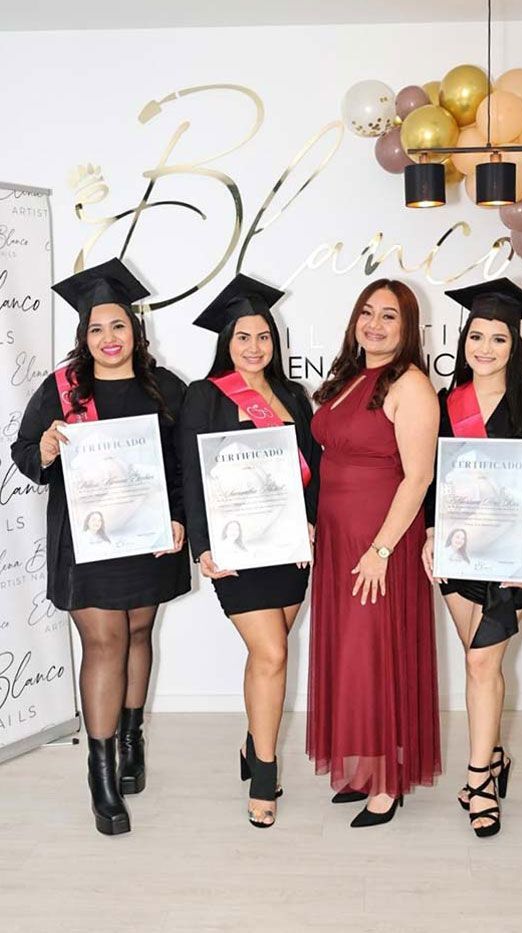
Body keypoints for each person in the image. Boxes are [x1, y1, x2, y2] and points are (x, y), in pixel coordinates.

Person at [11, 258, 190, 836]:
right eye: (96, 329)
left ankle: (133, 738)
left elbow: (185, 466)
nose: (109, 339)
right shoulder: (62, 390)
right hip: (87, 542)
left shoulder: (166, 388)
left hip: (148, 538)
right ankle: (102, 771)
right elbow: (23, 453)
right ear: (83, 337)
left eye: (118, 327)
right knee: (106, 640)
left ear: (136, 331)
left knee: (140, 631)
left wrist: (181, 518)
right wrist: (45, 448)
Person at [179, 274, 319, 829]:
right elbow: (192, 474)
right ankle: (264, 773)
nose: (254, 347)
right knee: (273, 656)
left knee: (270, 654)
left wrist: (309, 522)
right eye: (243, 337)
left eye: (263, 336)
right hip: (237, 551)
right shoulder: (204, 395)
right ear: (226, 342)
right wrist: (203, 546)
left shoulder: (292, 397)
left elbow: (314, 470)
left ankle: (251, 741)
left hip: (287, 548)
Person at [422, 279, 522, 838]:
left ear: (514, 347)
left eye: (497, 339)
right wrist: (432, 532)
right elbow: (433, 481)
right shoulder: (442, 404)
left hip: (510, 560)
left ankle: (479, 779)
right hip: (459, 556)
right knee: (481, 664)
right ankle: (495, 757)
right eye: (475, 337)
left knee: (482, 664)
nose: (484, 348)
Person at [307, 278, 441, 828]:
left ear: (407, 328)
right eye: (367, 312)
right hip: (338, 537)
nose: (376, 325)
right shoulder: (347, 377)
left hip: (378, 540)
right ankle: (363, 768)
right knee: (349, 652)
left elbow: (418, 477)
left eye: (389, 316)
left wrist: (383, 548)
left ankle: (386, 784)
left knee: (375, 652)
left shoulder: (409, 384)